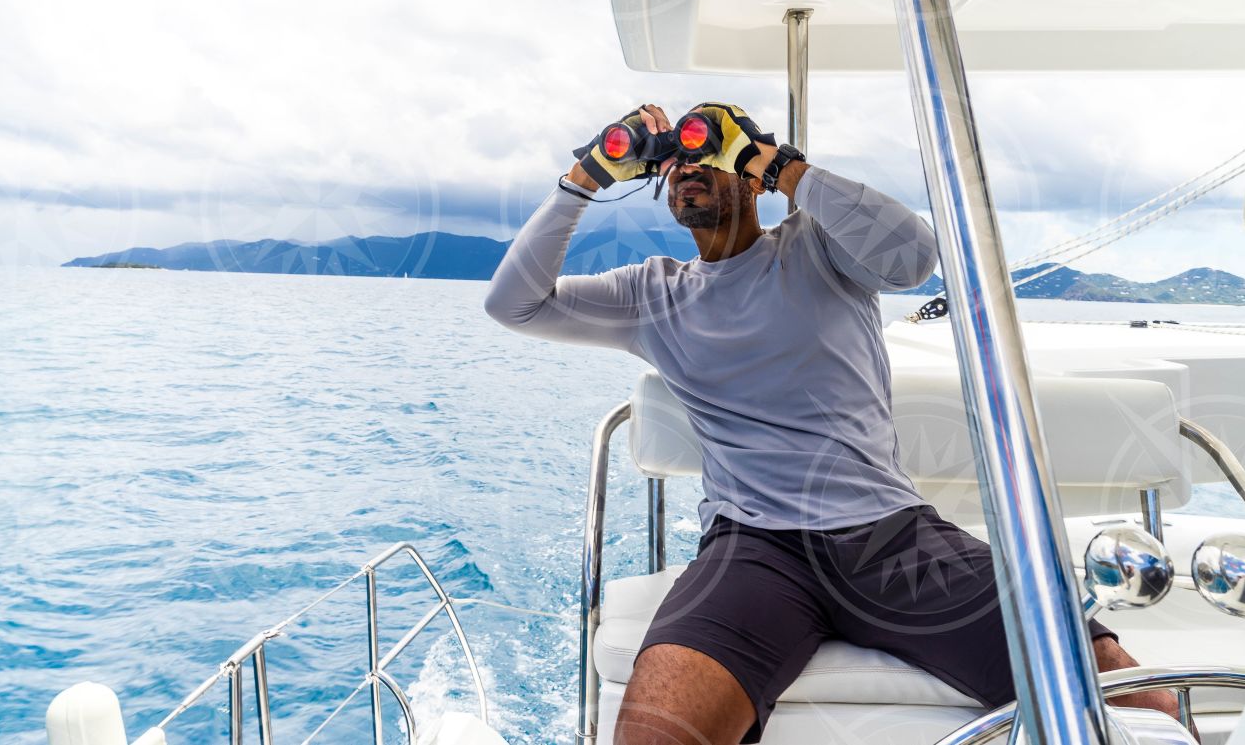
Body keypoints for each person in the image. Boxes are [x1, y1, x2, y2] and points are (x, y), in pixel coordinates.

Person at [485, 103, 1184, 744]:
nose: (686, 170)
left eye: (708, 154)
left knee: (1129, 695)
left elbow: (914, 254)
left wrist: (775, 159)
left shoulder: (819, 249)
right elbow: (511, 302)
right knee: (654, 732)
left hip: (890, 536)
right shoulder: (651, 293)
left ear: (751, 179)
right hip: (753, 549)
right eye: (673, 164)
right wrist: (586, 176)